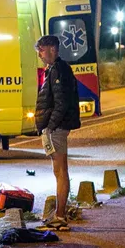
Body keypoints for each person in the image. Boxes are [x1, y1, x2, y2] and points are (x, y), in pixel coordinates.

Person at [33, 35, 81, 232]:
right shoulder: (56, 69)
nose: (40, 54)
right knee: (60, 170)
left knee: (60, 171)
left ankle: (60, 216)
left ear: (52, 49)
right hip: (58, 127)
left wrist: (50, 126)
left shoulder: (58, 70)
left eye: (42, 50)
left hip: (57, 129)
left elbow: (60, 102)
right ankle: (59, 215)